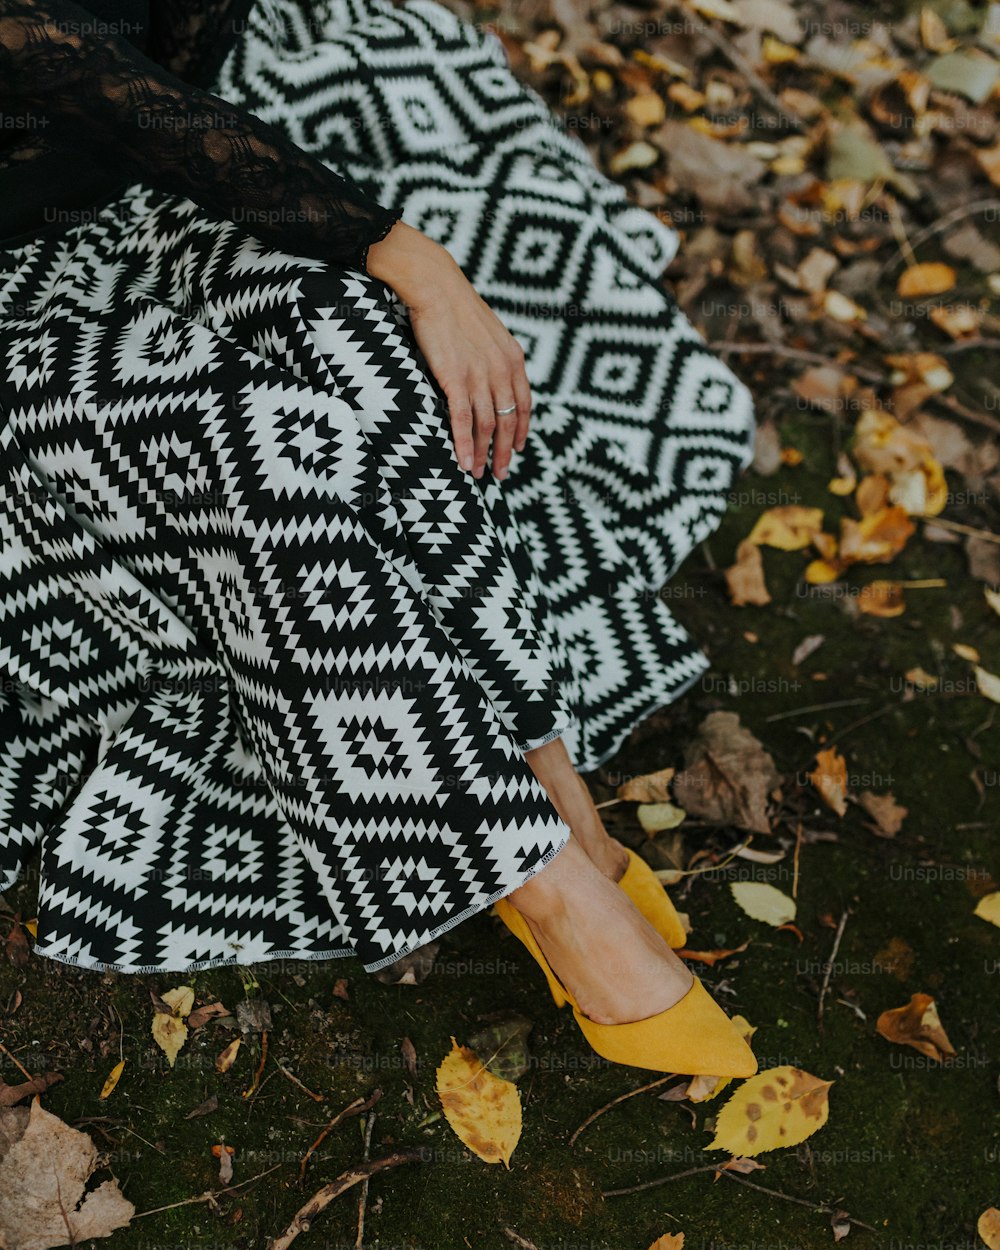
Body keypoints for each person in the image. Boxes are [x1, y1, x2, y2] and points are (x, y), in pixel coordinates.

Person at [0, 0, 758, 1074]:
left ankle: (559, 795)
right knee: (254, 437)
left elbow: (171, 82)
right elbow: (64, 58)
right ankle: (541, 889)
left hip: (133, 211)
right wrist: (411, 253)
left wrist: (387, 274)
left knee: (355, 332)